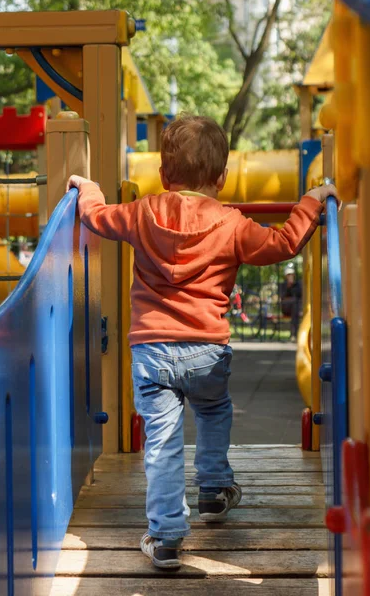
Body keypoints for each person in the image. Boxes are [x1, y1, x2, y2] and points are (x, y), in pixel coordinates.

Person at [67, 114, 338, 570]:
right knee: (213, 411)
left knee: (163, 441)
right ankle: (213, 489)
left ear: (162, 174)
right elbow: (283, 243)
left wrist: (86, 188)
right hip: (206, 350)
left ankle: (168, 535)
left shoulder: (142, 212)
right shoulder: (231, 223)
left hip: (150, 351)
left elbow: (96, 218)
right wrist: (311, 202)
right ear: (223, 177)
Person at [280, 263, 302, 342]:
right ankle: (294, 334)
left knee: (295, 305)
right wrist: (288, 287)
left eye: (291, 274)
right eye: (288, 275)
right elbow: (282, 297)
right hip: (286, 308)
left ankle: (294, 334)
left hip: (294, 308)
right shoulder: (283, 285)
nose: (290, 276)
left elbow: (299, 295)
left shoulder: (297, 285)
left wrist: (293, 286)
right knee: (294, 303)